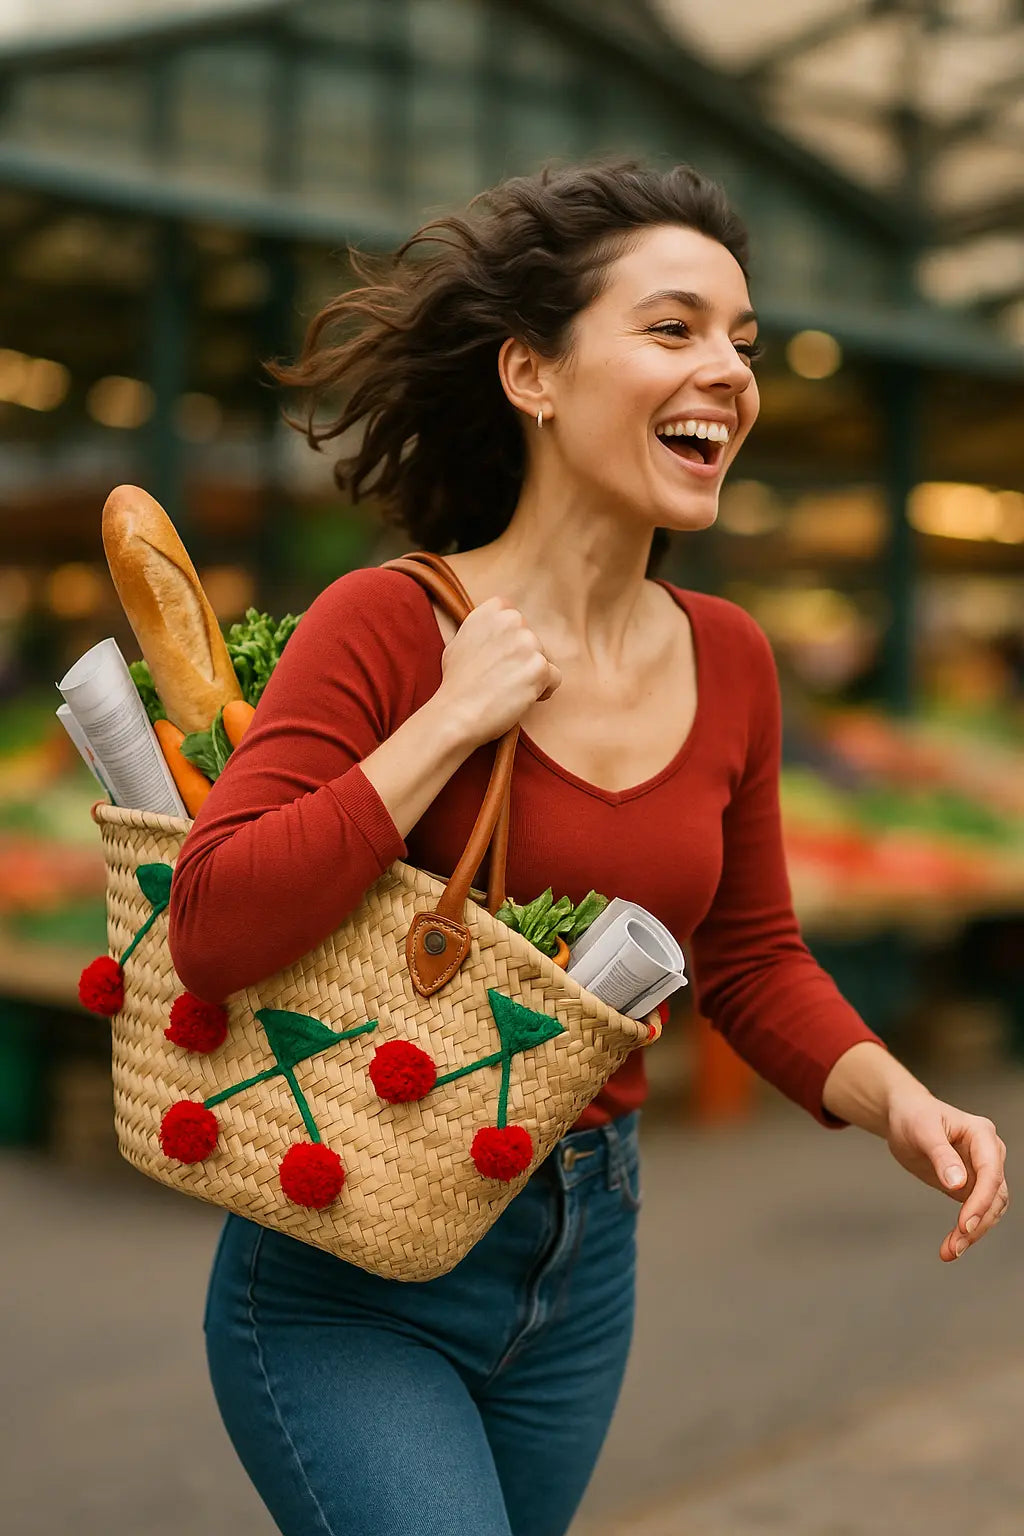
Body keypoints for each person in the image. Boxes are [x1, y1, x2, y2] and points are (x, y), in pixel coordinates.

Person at [167, 160, 1009, 1536]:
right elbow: (212, 921)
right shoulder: (385, 624)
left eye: (742, 340)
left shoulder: (730, 657)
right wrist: (445, 725)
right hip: (350, 1275)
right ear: (532, 376)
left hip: (582, 1256)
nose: (728, 370)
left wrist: (899, 1103)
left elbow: (747, 955)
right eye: (673, 329)